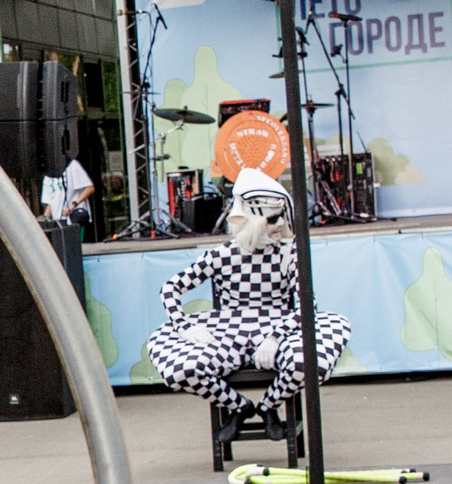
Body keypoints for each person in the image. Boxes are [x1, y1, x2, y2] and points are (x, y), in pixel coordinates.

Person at [147, 168, 352, 434]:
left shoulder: (288, 255)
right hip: (227, 330)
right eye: (272, 218)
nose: (280, 225)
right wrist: (184, 325)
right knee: (182, 370)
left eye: (281, 216)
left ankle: (268, 406)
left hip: (278, 325)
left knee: (310, 364)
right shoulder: (221, 255)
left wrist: (275, 337)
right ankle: (239, 407)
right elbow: (170, 287)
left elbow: (306, 304)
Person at [41, 154, 95, 229]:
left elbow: (89, 188)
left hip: (75, 216)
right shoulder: (48, 176)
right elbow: (50, 202)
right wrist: (44, 220)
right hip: (59, 221)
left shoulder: (72, 165)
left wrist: (72, 206)